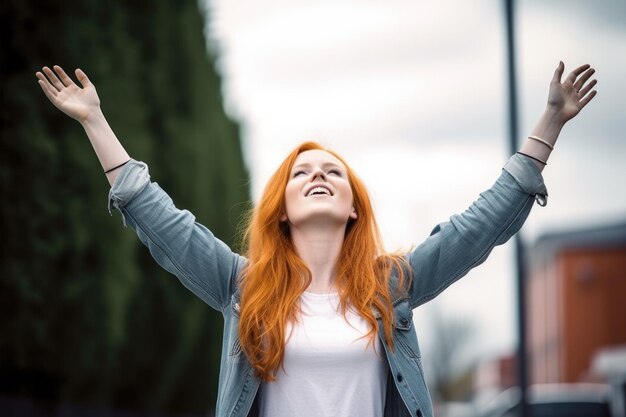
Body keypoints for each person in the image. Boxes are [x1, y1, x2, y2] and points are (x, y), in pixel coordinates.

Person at [36, 61, 597, 417]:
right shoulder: (240, 285)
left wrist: (550, 121)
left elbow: (478, 228)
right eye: (302, 173)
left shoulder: (391, 288)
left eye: (333, 172)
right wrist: (94, 121)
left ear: (353, 208)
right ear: (281, 210)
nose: (319, 176)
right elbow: (159, 218)